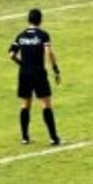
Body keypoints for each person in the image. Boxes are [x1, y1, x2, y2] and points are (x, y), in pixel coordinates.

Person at [8, 8, 62, 145]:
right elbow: (49, 53)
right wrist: (55, 70)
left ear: (28, 20)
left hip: (24, 73)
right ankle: (53, 138)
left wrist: (22, 64)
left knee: (25, 104)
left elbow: (11, 54)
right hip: (38, 72)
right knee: (46, 104)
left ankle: (25, 137)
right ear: (40, 20)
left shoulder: (21, 36)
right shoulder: (43, 35)